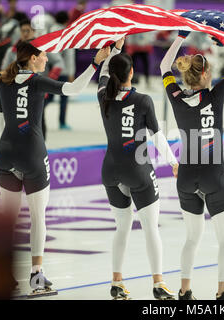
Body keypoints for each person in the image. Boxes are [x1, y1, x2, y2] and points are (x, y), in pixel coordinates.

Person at [0, 40, 110, 297]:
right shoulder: (36, 81)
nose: (47, 59)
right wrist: (95, 62)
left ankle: (2, 275)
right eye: (44, 55)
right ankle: (36, 275)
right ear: (33, 58)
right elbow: (74, 89)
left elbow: (0, 119)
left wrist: (10, 146)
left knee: (7, 222)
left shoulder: (2, 81)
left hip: (4, 155)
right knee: (38, 218)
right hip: (32, 156)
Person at [160, 31, 224, 300]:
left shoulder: (175, 95)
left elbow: (163, 66)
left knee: (192, 239)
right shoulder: (216, 95)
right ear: (206, 75)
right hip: (214, 175)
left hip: (185, 177)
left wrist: (181, 37)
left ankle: (185, 291)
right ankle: (222, 293)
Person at [98, 37, 178, 300]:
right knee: (150, 228)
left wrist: (113, 52)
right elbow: (156, 136)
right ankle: (158, 282)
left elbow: (102, 74)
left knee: (122, 227)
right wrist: (173, 162)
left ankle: (116, 282)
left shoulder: (103, 96)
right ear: (132, 73)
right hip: (138, 170)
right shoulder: (143, 100)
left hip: (110, 170)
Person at [44, 11, 77, 130]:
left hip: (50, 69)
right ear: (66, 21)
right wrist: (71, 73)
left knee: (49, 96)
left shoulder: (49, 30)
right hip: (62, 71)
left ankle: (36, 114)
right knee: (64, 97)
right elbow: (69, 56)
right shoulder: (66, 33)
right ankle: (62, 122)